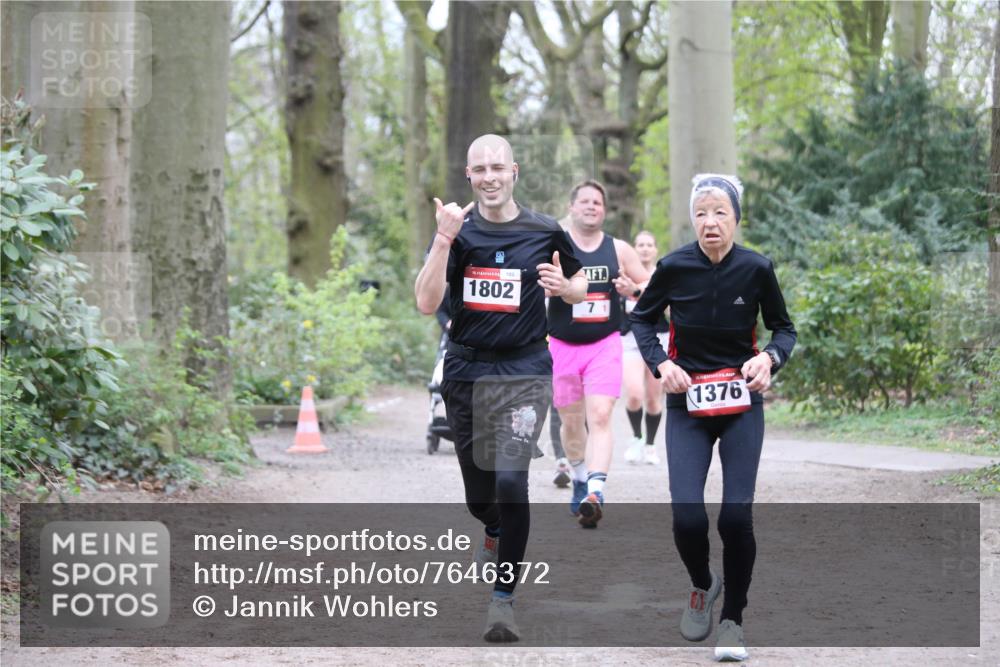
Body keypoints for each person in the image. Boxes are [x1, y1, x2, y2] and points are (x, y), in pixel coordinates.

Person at [414, 134, 587, 643]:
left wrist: (565, 288)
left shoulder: (544, 229)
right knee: (480, 498)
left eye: (498, 167)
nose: (489, 176)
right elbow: (426, 303)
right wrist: (443, 241)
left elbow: (580, 287)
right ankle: (493, 529)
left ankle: (503, 602)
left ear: (515, 171)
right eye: (479, 169)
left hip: (524, 371)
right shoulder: (457, 232)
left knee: (512, 482)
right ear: (468, 176)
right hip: (466, 372)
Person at [630, 173, 796, 661]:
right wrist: (662, 364)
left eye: (720, 212)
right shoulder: (674, 266)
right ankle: (703, 584)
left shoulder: (757, 269)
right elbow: (641, 319)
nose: (709, 222)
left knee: (736, 515)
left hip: (742, 404)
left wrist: (769, 358)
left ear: (736, 219)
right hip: (688, 405)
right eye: (700, 213)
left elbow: (783, 329)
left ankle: (733, 622)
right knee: (686, 516)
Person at [547, 179, 650, 528]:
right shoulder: (555, 247)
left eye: (598, 203)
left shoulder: (618, 250)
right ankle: (578, 476)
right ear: (572, 207)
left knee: (601, 415)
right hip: (561, 345)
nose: (592, 206)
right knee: (572, 422)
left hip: (605, 343)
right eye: (585, 201)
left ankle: (596, 490)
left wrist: (632, 289)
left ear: (604, 211)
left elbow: (651, 287)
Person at [616, 230, 668, 465]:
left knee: (654, 399)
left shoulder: (663, 274)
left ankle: (650, 445)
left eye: (649, 244)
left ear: (656, 249)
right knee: (635, 394)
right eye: (640, 244)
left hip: (658, 337)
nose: (645, 248)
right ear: (634, 250)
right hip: (630, 339)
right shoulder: (623, 277)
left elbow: (669, 308)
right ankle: (636, 438)